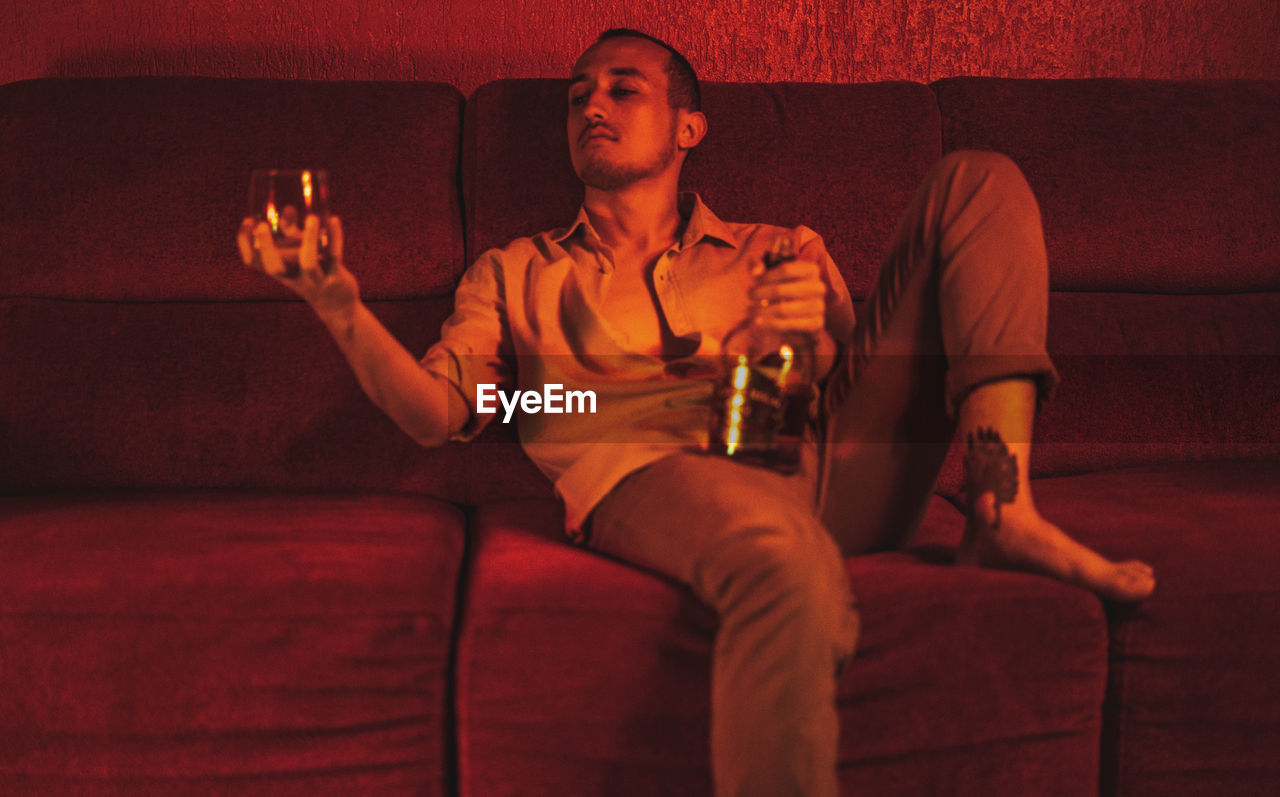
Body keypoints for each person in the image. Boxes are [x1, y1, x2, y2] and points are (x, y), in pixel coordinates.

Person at [238, 28, 1156, 797]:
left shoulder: (778, 245)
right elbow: (438, 414)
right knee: (782, 559)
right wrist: (338, 304)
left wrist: (831, 325)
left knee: (977, 180)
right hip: (651, 472)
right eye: (576, 96)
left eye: (621, 89)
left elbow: (844, 385)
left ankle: (1002, 505)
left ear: (689, 125)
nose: (590, 106)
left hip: (827, 462)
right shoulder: (516, 272)